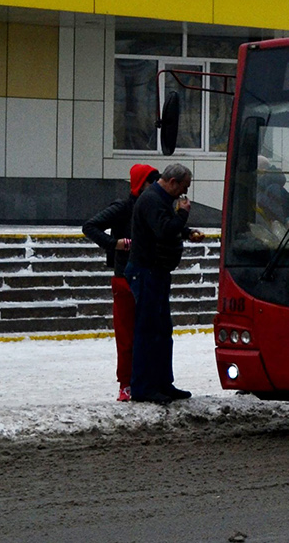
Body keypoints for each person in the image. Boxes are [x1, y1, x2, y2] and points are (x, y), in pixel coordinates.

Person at [126, 163, 204, 405]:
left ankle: (162, 383)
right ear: (172, 182)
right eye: (183, 187)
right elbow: (163, 230)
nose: (184, 193)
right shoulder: (151, 200)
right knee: (148, 331)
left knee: (162, 331)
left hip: (156, 272)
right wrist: (182, 214)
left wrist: (186, 231)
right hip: (146, 271)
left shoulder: (160, 200)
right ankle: (142, 387)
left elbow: (167, 228)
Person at [82, 163, 158, 402]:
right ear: (139, 184)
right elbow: (90, 226)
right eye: (150, 182)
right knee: (126, 335)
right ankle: (126, 384)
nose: (154, 186)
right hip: (125, 277)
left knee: (147, 333)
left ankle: (143, 380)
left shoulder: (153, 206)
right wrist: (114, 243)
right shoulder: (124, 207)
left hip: (147, 275)